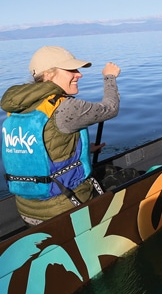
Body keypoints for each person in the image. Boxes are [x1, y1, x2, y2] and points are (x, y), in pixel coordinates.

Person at [1, 45, 121, 225]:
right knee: (126, 176)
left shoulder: (19, 109)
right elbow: (111, 109)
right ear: (48, 75)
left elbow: (40, 150)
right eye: (71, 69)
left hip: (27, 210)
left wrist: (82, 150)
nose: (79, 74)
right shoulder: (64, 107)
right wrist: (109, 77)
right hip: (66, 207)